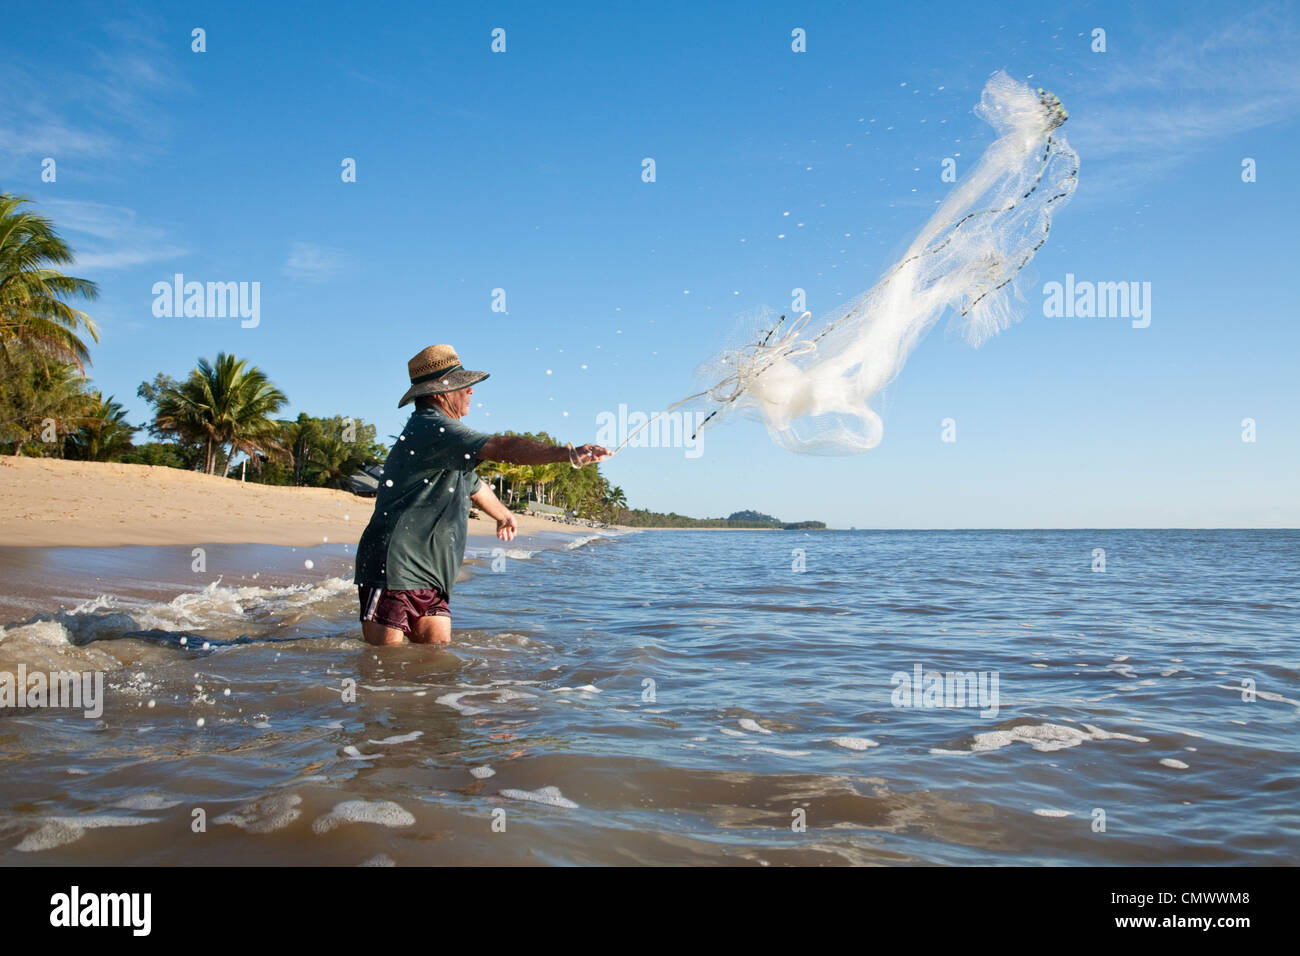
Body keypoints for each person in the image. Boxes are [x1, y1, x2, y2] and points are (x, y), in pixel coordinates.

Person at [354, 344, 609, 647]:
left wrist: (503, 515)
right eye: (463, 385)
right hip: (394, 568)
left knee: (433, 664)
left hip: (433, 575)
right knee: (383, 669)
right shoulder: (431, 426)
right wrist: (568, 454)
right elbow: (502, 447)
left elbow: (473, 484)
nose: (471, 391)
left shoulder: (444, 438)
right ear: (439, 393)